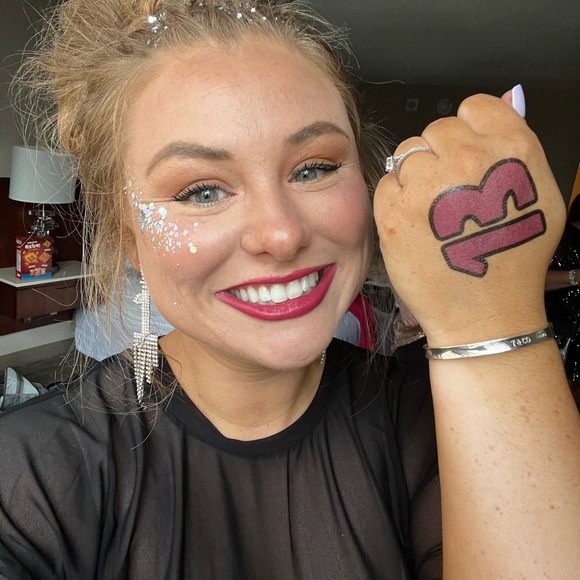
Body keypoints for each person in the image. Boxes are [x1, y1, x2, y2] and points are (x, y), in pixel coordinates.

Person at [1, 1, 579, 579]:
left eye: (313, 169)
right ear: (128, 235)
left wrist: (492, 323)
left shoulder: (442, 421)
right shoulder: (29, 474)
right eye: (202, 191)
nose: (282, 235)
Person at [545, 195, 580, 407]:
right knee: (555, 402)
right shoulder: (561, 237)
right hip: (561, 336)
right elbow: (534, 281)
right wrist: (574, 276)